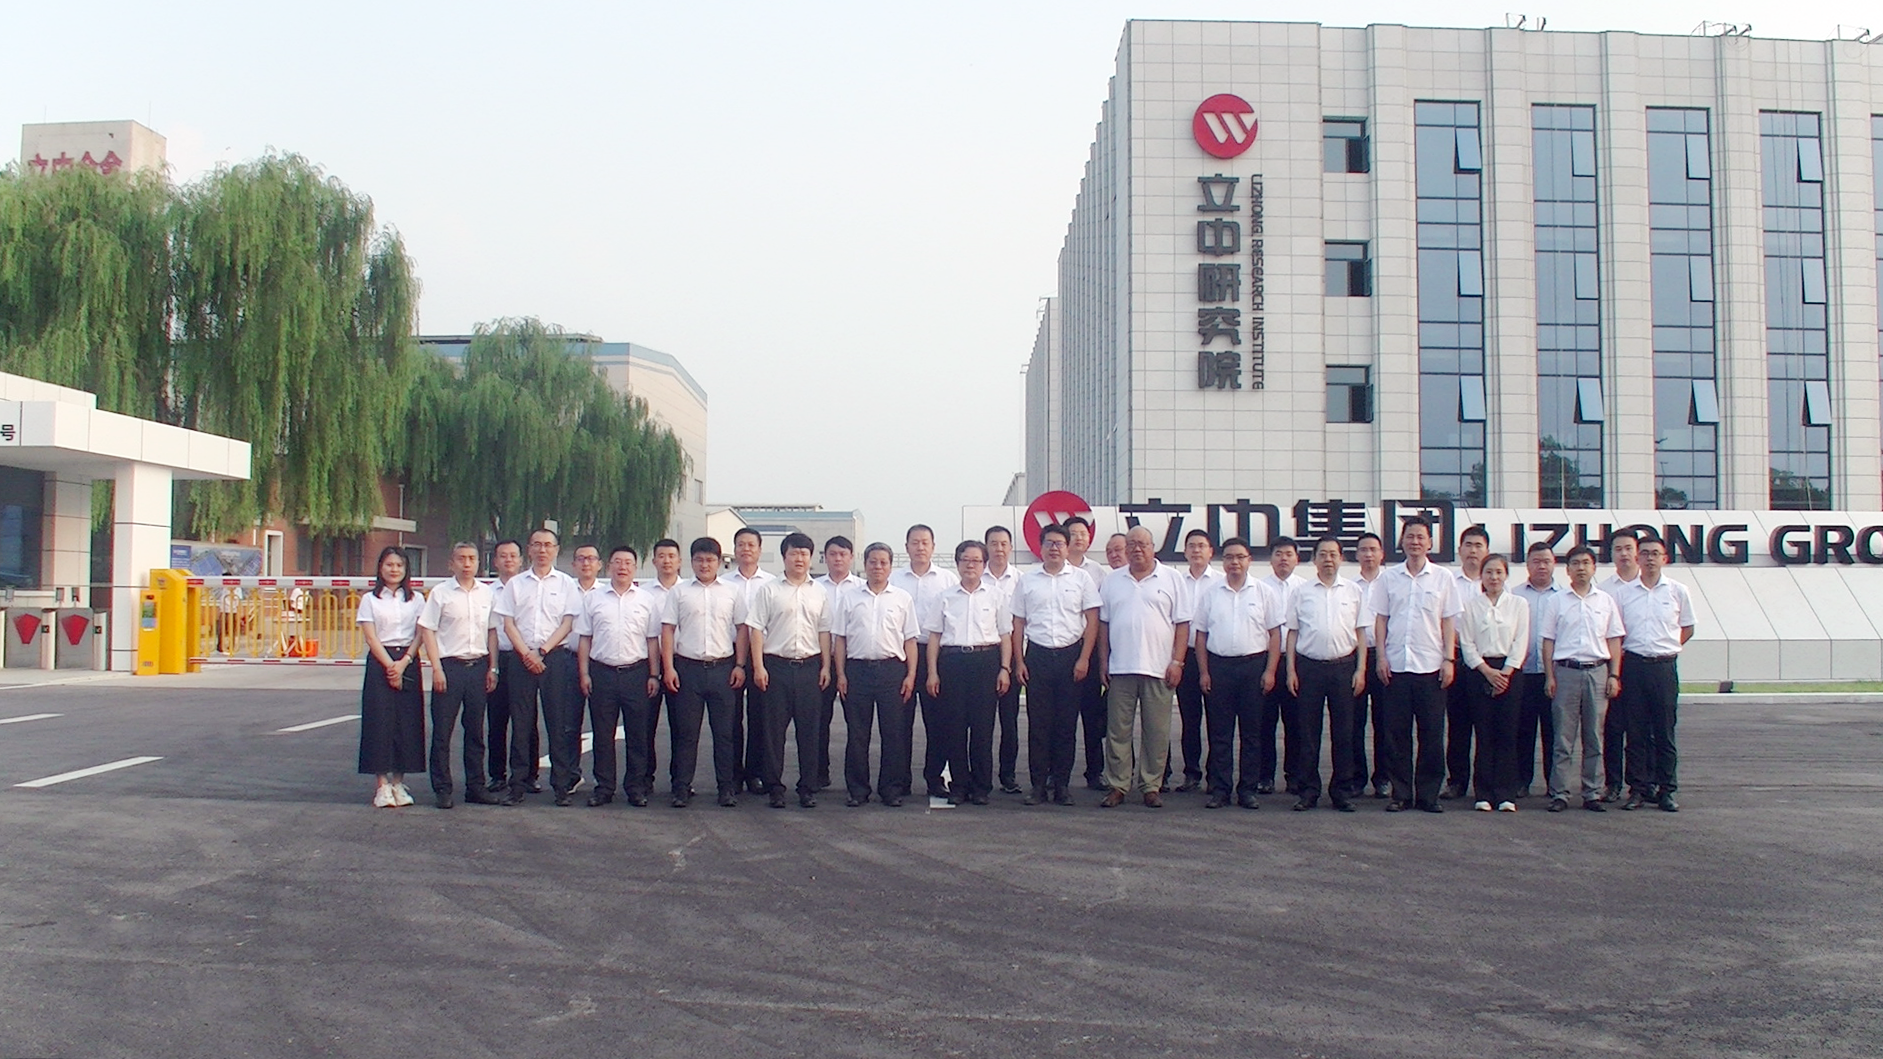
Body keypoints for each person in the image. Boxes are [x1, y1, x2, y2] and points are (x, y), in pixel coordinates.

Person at [1369, 518, 1461, 813]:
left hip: (1431, 667)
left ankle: (1428, 795)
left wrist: (1448, 659)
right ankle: (1401, 794)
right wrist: (1381, 657)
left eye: (1421, 537)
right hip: (1396, 666)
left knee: (1432, 734)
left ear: (1430, 542)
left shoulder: (1443, 578)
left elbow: (1448, 621)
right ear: (1402, 541)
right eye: (1410, 536)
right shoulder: (1389, 578)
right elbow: (1381, 620)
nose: (1415, 542)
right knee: (1396, 735)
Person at [1097, 525, 1190, 808]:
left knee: (1157, 731)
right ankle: (1118, 785)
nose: (1137, 549)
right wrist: (1103, 661)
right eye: (1131, 544)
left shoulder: (1172, 578)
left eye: (1142, 544)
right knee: (1118, 731)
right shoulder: (1113, 580)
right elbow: (1104, 625)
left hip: (1159, 668)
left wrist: (1177, 662)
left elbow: (1182, 624)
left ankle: (1151, 785)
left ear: (1153, 547)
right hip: (1121, 668)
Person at [1011, 523, 1100, 805]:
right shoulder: (1027, 580)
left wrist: (1084, 658)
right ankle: (1038, 785)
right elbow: (1018, 623)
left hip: (1070, 658)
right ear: (1040, 547)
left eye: (1059, 543)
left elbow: (1092, 621)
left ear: (1067, 547)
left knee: (1065, 725)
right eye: (1049, 543)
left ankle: (1061, 785)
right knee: (1038, 725)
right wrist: (1019, 661)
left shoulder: (1081, 579)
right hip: (1037, 657)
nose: (1054, 548)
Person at [743, 532, 833, 809]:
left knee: (809, 731)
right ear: (784, 557)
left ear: (811, 558)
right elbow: (755, 629)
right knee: (773, 733)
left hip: (809, 667)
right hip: (776, 667)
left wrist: (826, 666)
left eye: (804, 553)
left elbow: (824, 631)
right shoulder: (769, 590)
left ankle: (808, 787)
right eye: (794, 553)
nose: (799, 558)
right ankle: (775, 787)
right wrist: (758, 666)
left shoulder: (819, 591)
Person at [1192, 537, 1283, 809]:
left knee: (1252, 733)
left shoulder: (1264, 592)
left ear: (1249, 560)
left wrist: (1270, 671)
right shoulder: (1211, 593)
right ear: (1223, 561)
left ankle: (1248, 790)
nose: (1235, 562)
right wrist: (1204, 671)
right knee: (1220, 733)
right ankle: (1220, 790)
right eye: (1230, 557)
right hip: (1219, 667)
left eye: (1240, 557)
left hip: (1253, 667)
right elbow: (1201, 635)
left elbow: (1275, 634)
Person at [922, 540, 1014, 804]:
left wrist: (1005, 668)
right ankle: (959, 785)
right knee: (955, 728)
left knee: (983, 729)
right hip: (952, 664)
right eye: (965, 560)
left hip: (986, 663)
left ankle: (981, 787)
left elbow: (1005, 636)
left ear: (984, 564)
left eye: (976, 560)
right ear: (957, 563)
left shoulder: (996, 596)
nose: (970, 565)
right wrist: (932, 672)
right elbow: (934, 637)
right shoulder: (944, 597)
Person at [495, 527, 582, 806]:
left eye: (548, 545)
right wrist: (527, 654)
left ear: (556, 549)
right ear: (529, 549)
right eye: (537, 544)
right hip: (521, 659)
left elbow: (568, 623)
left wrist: (542, 651)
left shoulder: (566, 583)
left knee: (558, 723)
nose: (542, 550)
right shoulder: (516, 584)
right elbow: (508, 623)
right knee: (521, 724)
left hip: (554, 658)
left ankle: (561, 786)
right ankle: (518, 786)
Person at [831, 542, 920, 806]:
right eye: (873, 561)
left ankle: (891, 789)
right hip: (857, 671)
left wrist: (910, 675)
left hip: (892, 671)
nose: (878, 567)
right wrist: (841, 674)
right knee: (858, 734)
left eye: (883, 562)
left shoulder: (902, 599)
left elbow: (910, 640)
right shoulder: (850, 598)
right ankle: (858, 790)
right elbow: (840, 639)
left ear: (891, 566)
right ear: (865, 564)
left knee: (893, 734)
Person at [1539, 544, 1626, 814]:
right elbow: (1548, 641)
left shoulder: (1605, 601)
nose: (1581, 568)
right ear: (1567, 570)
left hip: (1597, 672)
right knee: (1563, 737)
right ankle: (1560, 793)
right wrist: (1550, 676)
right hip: (1565, 672)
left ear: (1594, 568)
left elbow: (1614, 639)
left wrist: (1614, 674)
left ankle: (1592, 792)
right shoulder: (1557, 601)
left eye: (1586, 563)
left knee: (1594, 737)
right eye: (1575, 563)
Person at [660, 537, 747, 807]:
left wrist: (740, 665)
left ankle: (726, 788)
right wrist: (668, 668)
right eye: (699, 560)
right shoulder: (679, 592)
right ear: (691, 562)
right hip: (688, 669)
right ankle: (681, 788)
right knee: (687, 733)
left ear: (719, 562)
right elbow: (667, 630)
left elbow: (742, 629)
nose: (704, 565)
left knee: (725, 733)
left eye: (710, 560)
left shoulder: (732, 592)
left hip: (723, 669)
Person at [1610, 535, 1695, 812]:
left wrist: (1667, 647)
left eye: (1655, 554)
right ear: (1638, 558)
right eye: (1645, 553)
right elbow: (1616, 633)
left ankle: (1667, 789)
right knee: (1635, 732)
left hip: (1664, 667)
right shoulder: (1624, 594)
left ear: (1664, 558)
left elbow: (1688, 627)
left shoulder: (1677, 591)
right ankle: (1638, 789)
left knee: (1664, 731)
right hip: (1633, 666)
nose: (1649, 558)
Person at [1284, 536, 1369, 812]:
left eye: (1333, 554)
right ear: (1314, 559)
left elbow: (1361, 633)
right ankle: (1308, 791)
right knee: (1307, 733)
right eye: (1323, 554)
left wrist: (1361, 670)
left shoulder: (1353, 591)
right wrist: (1291, 670)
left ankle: (1342, 791)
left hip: (1344, 667)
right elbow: (1293, 633)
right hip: (1309, 667)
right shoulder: (1302, 592)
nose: (1328, 559)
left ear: (1341, 558)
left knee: (1344, 733)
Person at [417, 541, 502, 808]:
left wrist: (493, 667)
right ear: (451, 563)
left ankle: (476, 787)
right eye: (461, 558)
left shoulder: (486, 594)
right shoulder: (440, 594)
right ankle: (442, 788)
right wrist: (437, 668)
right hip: (449, 668)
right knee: (443, 732)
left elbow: (492, 632)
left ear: (478, 563)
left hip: (478, 667)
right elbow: (428, 630)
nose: (467, 564)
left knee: (475, 732)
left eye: (472, 559)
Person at [576, 545, 661, 808]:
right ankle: (604, 788)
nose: (622, 567)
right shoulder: (594, 599)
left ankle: (636, 787)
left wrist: (654, 675)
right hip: (602, 673)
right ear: (609, 565)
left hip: (637, 673)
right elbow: (585, 639)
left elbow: (652, 640)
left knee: (638, 735)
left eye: (628, 562)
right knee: (603, 735)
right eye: (617, 562)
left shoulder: (646, 600)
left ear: (635, 567)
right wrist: (584, 673)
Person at [1457, 554, 1529, 813]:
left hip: (1510, 672)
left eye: (1499, 572)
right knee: (1484, 732)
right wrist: (1487, 672)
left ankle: (1506, 793)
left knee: (1507, 733)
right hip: (1480, 672)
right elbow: (1467, 643)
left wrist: (1505, 673)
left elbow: (1521, 641)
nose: (1494, 577)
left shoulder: (1519, 604)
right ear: (1482, 576)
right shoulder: (1470, 606)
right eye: (1489, 572)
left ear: (1506, 575)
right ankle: (1483, 793)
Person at [357, 546, 428, 808]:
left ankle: (399, 782)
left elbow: (421, 633)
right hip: (381, 662)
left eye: (399, 565)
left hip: (408, 660)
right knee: (379, 722)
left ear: (406, 569)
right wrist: (390, 666)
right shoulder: (370, 599)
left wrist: (404, 662)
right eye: (389, 564)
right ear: (380, 568)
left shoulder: (416, 599)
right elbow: (371, 636)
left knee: (407, 722)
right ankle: (382, 785)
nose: (394, 569)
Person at [891, 524, 951, 798]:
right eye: (914, 542)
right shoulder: (894, 579)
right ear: (906, 547)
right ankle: (900, 779)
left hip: (934, 655)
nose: (920, 547)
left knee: (937, 722)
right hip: (901, 656)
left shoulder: (947, 579)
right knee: (899, 723)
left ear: (933, 547)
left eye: (925, 542)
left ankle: (934, 778)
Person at [483, 539, 539, 795]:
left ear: (520, 560)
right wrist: (492, 666)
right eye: (503, 556)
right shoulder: (487, 592)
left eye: (513, 556)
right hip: (498, 657)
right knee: (497, 719)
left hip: (524, 657)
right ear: (495, 561)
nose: (508, 560)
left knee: (526, 719)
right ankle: (497, 775)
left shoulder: (528, 587)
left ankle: (529, 775)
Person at [724, 527, 776, 796]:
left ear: (759, 549)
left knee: (760, 717)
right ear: (734, 550)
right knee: (731, 718)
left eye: (751, 545)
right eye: (741, 544)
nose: (746, 549)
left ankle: (755, 773)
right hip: (728, 655)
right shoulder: (723, 582)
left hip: (762, 655)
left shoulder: (772, 583)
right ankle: (733, 775)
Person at [1167, 528, 1219, 793]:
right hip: (1184, 656)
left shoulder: (1221, 581)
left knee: (1217, 719)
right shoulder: (1176, 581)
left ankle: (1216, 775)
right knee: (1190, 718)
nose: (1196, 550)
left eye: (1201, 546)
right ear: (1185, 552)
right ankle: (1191, 773)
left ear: (1211, 551)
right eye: (1192, 546)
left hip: (1214, 657)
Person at [1258, 536, 1310, 795]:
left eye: (1289, 554)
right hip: (1267, 660)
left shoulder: (1305, 588)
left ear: (1297, 559)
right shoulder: (1259, 587)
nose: (1283, 559)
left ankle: (1295, 776)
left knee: (1296, 722)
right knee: (1264, 722)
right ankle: (1264, 776)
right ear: (1271, 559)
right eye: (1278, 553)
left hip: (1296, 662)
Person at [812, 536, 864, 793]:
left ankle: (855, 779)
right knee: (818, 720)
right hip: (820, 661)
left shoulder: (862, 588)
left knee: (856, 722)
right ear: (825, 557)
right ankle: (818, 773)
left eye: (843, 554)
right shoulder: (814, 587)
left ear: (851, 557)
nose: (838, 559)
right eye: (832, 554)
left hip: (852, 663)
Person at [1442, 524, 1490, 800]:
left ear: (1487, 550)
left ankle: (1485, 783)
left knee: (1486, 725)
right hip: (1457, 658)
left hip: (1487, 663)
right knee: (1458, 725)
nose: (1473, 550)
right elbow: (1442, 618)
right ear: (1459, 550)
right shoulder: (1449, 582)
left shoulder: (1494, 581)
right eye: (1468, 545)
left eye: (1478, 545)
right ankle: (1456, 781)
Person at [1064, 515, 1111, 789]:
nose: (1079, 538)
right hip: (1062, 650)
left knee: (1092, 716)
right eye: (1074, 533)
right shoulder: (1053, 568)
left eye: (1083, 533)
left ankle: (1095, 772)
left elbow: (1101, 617)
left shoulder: (1097, 572)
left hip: (1089, 649)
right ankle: (1057, 773)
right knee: (1062, 717)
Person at [1511, 542, 1561, 798]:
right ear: (1528, 565)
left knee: (1554, 731)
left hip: (1556, 674)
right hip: (1524, 672)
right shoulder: (1515, 595)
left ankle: (1554, 783)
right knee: (1523, 730)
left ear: (1554, 564)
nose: (1542, 566)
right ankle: (1521, 781)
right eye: (1536, 561)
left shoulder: (1564, 596)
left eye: (1546, 561)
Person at [1597, 529, 1642, 802]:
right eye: (1618, 549)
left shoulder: (1649, 585)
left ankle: (1641, 784)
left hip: (1639, 662)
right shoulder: (1603, 590)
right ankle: (1612, 783)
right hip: (1611, 664)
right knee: (1612, 727)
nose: (1624, 554)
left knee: (1641, 728)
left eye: (1628, 548)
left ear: (1637, 552)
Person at [638, 539, 685, 795]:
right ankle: (645, 778)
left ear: (679, 561)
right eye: (662, 556)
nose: (667, 561)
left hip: (683, 664)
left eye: (671, 556)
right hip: (649, 666)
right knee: (646, 726)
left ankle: (680, 781)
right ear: (654, 560)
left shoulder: (689, 590)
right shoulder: (643, 593)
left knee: (682, 727)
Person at [981, 525, 1025, 795]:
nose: (999, 548)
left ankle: (1008, 775)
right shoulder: (974, 575)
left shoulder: (1021, 580)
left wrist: (1015, 662)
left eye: (1003, 543)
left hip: (1012, 654)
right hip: (982, 657)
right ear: (986, 547)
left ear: (1010, 547)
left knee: (1009, 721)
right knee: (980, 721)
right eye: (993, 543)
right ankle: (979, 776)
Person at [1351, 532, 1390, 798]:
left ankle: (1383, 778)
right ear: (1356, 555)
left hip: (1384, 655)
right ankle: (1356, 778)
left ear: (1381, 554)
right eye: (1363, 550)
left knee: (1385, 721)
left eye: (1373, 549)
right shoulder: (1350, 587)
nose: (1368, 554)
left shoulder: (1391, 583)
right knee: (1353, 722)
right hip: (1355, 656)